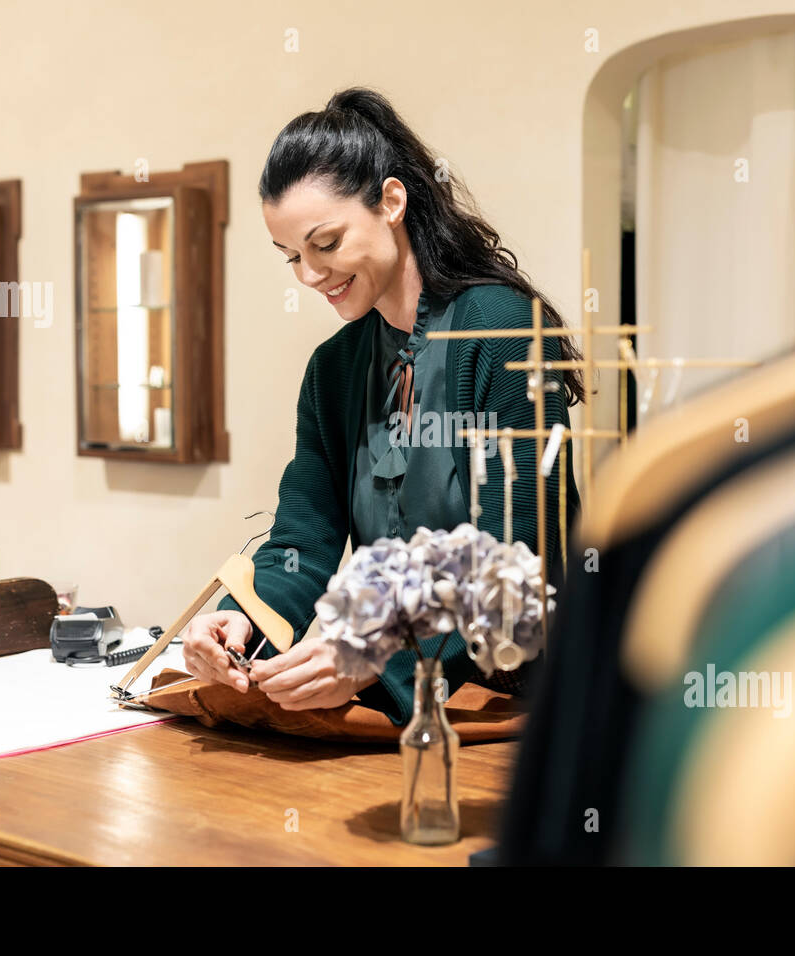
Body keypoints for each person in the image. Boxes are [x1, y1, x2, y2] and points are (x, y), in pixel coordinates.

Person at [180, 87, 584, 725]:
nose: (311, 275)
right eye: (292, 257)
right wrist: (247, 623)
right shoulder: (334, 370)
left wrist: (371, 656)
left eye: (326, 243)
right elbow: (302, 543)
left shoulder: (503, 331)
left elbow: (523, 559)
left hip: (517, 707)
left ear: (392, 201)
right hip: (398, 713)